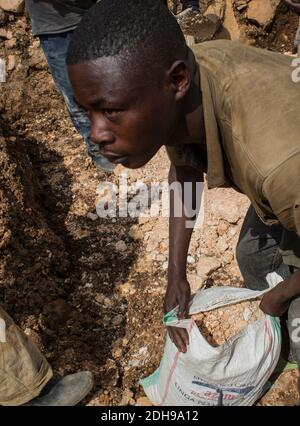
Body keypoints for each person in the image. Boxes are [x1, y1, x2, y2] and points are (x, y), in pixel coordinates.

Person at [66, 0, 300, 402]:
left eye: (111, 110)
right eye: (89, 113)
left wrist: (278, 298)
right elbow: (186, 171)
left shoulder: (277, 165)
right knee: (254, 256)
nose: (96, 134)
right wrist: (176, 271)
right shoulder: (187, 84)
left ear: (176, 81)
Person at [25, 0, 114, 172]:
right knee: (76, 94)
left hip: (92, 16)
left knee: (109, 84)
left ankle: (122, 138)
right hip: (54, 27)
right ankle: (101, 150)